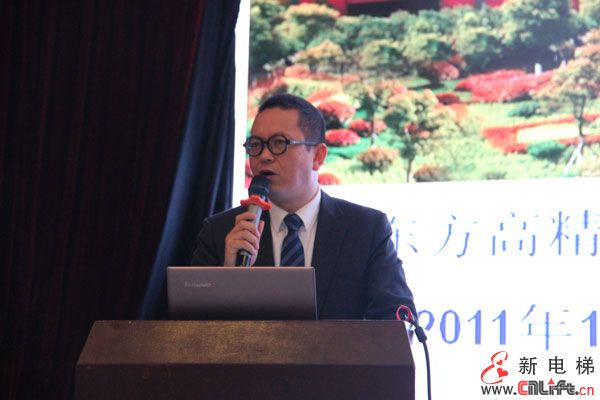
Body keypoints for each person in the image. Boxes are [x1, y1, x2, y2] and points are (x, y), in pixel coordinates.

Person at [191, 93, 416, 319]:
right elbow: (189, 330)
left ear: (318, 156)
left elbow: (396, 320)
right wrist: (228, 276)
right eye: (256, 145)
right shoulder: (220, 233)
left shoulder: (366, 230)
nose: (264, 156)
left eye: (279, 143)